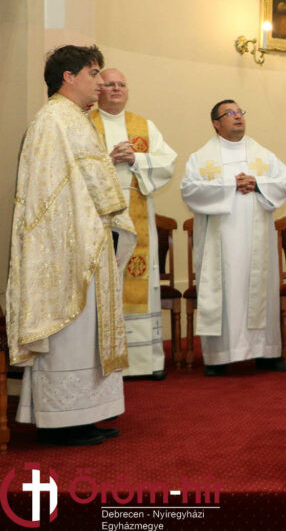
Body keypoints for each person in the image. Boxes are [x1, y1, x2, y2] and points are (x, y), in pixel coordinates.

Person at [7, 45, 132, 446]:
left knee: (87, 336)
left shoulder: (75, 119)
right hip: (66, 248)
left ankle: (84, 414)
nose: (100, 82)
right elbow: (48, 194)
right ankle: (62, 421)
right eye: (93, 74)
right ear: (68, 76)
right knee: (71, 336)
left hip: (88, 240)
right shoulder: (52, 121)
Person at [181, 100, 286, 376]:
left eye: (240, 112)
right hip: (220, 242)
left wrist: (258, 183)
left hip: (257, 240)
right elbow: (190, 190)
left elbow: (285, 180)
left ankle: (267, 353)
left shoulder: (262, 153)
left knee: (259, 290)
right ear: (216, 124)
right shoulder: (201, 157)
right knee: (224, 292)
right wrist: (231, 184)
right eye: (229, 113)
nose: (238, 116)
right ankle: (219, 357)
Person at [90, 68, 178, 380]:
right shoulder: (86, 123)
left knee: (138, 278)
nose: (116, 89)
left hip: (136, 208)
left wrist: (136, 159)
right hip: (98, 214)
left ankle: (143, 362)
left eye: (121, 84)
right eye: (109, 84)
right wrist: (109, 159)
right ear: (98, 90)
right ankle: (103, 359)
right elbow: (73, 165)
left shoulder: (143, 125)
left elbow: (167, 161)